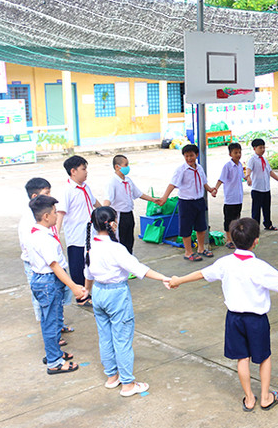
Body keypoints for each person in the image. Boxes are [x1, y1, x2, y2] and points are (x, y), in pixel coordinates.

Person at [169, 218, 278, 411]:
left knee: (242, 358)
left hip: (234, 319)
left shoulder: (225, 263)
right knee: (264, 357)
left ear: (233, 238)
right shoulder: (260, 267)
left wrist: (177, 280)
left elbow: (200, 274)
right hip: (256, 320)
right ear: (256, 240)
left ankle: (249, 399)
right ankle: (265, 397)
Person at [83, 206, 171, 396]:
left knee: (105, 337)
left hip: (98, 292)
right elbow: (138, 268)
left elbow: (88, 273)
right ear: (112, 224)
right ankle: (128, 384)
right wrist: (164, 277)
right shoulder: (115, 248)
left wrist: (87, 291)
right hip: (116, 294)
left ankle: (111, 377)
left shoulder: (91, 245)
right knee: (122, 339)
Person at [27, 195, 88, 375]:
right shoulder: (43, 238)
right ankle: (54, 361)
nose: (57, 216)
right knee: (51, 323)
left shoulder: (37, 232)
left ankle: (54, 353)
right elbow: (54, 266)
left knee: (50, 320)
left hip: (44, 281)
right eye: (54, 212)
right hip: (48, 282)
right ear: (46, 216)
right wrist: (74, 287)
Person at [20, 179, 73, 344]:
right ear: (35, 197)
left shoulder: (43, 222)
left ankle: (57, 326)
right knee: (46, 309)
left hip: (49, 268)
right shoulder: (31, 224)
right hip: (41, 269)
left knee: (55, 305)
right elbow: (51, 263)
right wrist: (74, 286)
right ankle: (53, 342)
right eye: (47, 193)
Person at [158, 144, 218, 262]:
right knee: (186, 228)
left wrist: (210, 189)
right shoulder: (181, 170)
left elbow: (203, 182)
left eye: (191, 155)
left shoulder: (199, 168)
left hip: (199, 201)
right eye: (186, 156)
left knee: (201, 227)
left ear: (197, 155)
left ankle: (201, 249)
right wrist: (164, 197)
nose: (189, 158)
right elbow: (172, 184)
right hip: (186, 202)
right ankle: (188, 252)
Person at [57, 155, 101, 305]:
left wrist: (107, 213)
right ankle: (81, 297)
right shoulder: (67, 191)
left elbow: (95, 203)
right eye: (83, 169)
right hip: (76, 236)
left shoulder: (85, 187)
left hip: (90, 234)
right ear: (73, 171)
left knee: (89, 265)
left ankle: (87, 292)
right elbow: (60, 214)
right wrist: (56, 236)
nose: (86, 172)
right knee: (78, 267)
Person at [104, 154, 159, 254]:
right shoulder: (112, 182)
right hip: (119, 215)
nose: (127, 167)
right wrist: (103, 213)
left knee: (130, 239)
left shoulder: (128, 180)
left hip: (129, 213)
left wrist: (152, 199)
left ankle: (130, 258)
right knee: (120, 240)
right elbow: (108, 199)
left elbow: (138, 193)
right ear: (117, 167)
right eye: (126, 165)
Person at [245, 138, 278, 232]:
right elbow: (248, 169)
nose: (263, 150)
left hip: (266, 188)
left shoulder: (265, 160)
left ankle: (268, 224)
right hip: (257, 189)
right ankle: (254, 228)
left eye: (264, 148)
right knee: (256, 210)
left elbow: (270, 172)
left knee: (267, 209)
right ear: (254, 148)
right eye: (260, 148)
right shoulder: (253, 159)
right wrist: (248, 176)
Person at [214, 143, 245, 248]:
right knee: (229, 220)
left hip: (239, 198)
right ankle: (228, 239)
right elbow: (221, 179)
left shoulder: (240, 165)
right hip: (230, 199)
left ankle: (235, 237)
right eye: (235, 152)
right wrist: (215, 189)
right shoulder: (227, 166)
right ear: (230, 154)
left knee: (237, 219)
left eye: (239, 152)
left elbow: (243, 177)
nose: (238, 154)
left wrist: (248, 178)